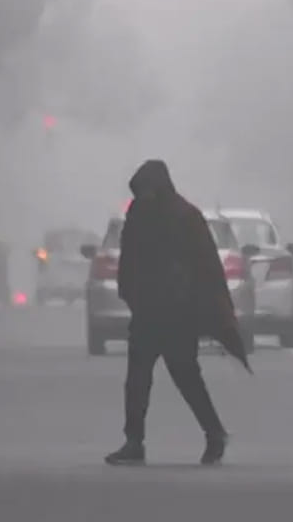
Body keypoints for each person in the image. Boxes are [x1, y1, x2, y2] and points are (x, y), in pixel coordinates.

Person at [104, 159, 234, 466]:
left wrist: (205, 308)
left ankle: (214, 433)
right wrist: (130, 294)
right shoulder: (137, 215)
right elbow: (129, 258)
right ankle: (134, 441)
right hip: (147, 311)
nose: (146, 196)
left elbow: (206, 267)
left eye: (150, 190)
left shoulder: (185, 217)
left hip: (178, 314)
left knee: (186, 376)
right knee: (137, 378)